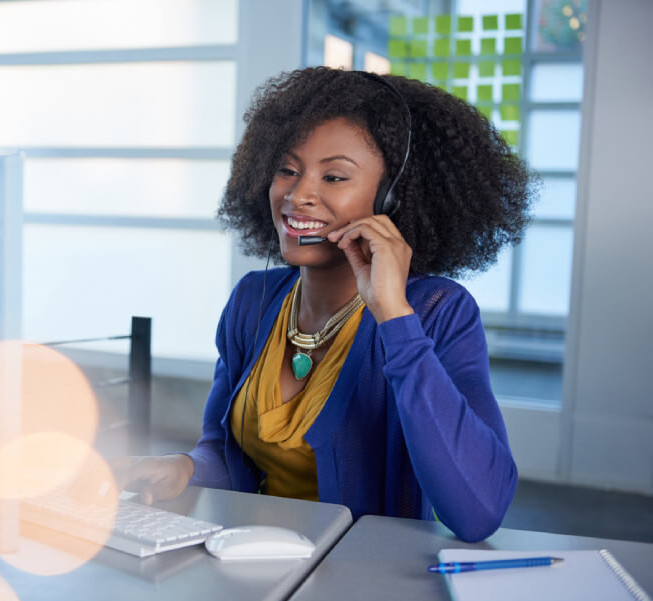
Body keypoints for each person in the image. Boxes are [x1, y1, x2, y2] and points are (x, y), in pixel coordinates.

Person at [118, 67, 536, 543]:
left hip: (363, 579)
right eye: (287, 170)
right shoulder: (253, 302)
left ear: (393, 199)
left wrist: (394, 316)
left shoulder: (437, 311)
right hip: (251, 561)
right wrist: (185, 467)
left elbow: (479, 512)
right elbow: (224, 453)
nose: (298, 196)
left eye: (334, 176)